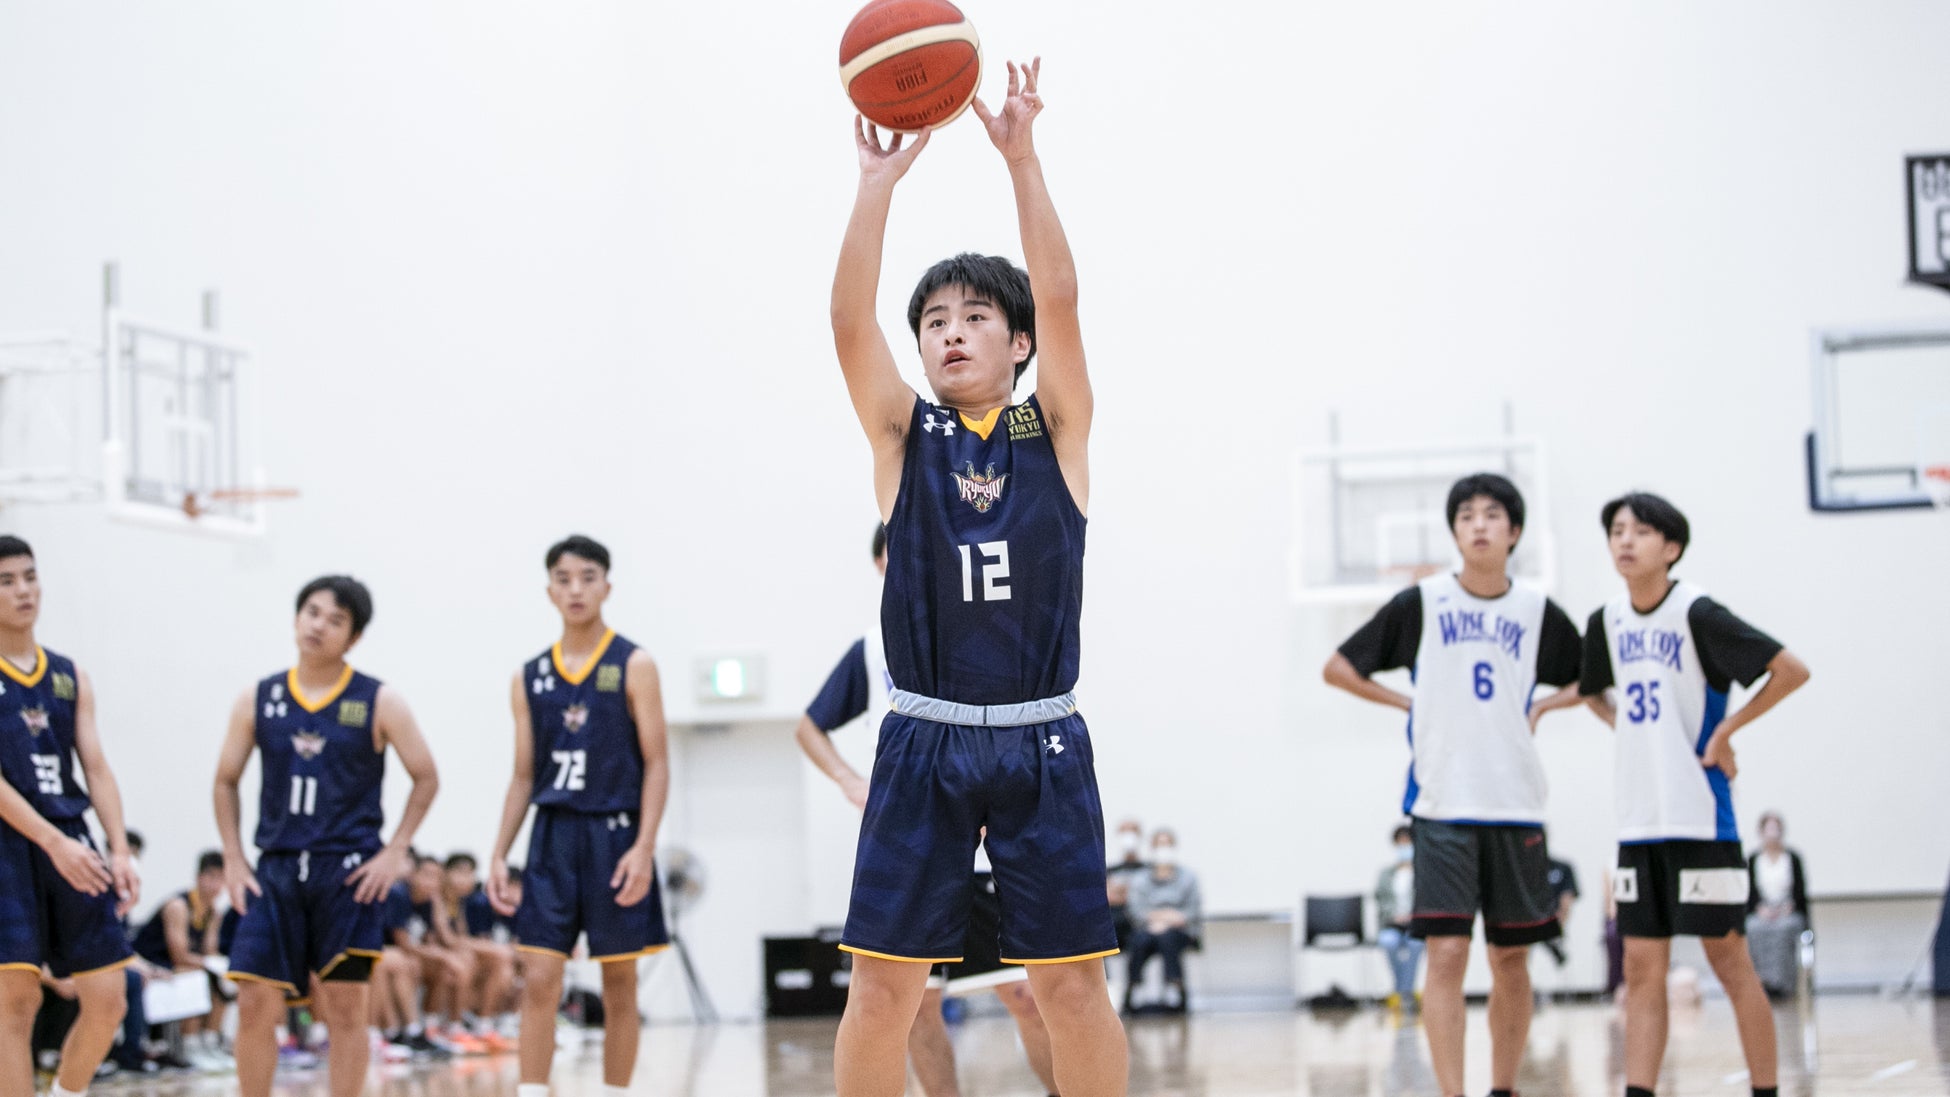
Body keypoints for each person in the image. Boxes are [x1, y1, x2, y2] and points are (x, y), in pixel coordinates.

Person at [829, 58, 1126, 1097]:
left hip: (1043, 737)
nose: (949, 330)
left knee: (1071, 987)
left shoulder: (1059, 427)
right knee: (883, 988)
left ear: (1018, 341)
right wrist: (876, 188)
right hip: (926, 735)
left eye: (973, 315)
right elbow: (850, 327)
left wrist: (1021, 158)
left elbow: (1063, 293)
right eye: (934, 321)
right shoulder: (904, 434)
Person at [1322, 473, 1584, 1097]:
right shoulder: (1423, 602)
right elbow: (1338, 667)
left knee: (1511, 958)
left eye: (1492, 514)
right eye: (1466, 515)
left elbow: (1592, 676)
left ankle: (1504, 1087)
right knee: (1445, 953)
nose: (1478, 524)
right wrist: (1407, 703)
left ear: (1514, 532)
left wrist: (1546, 705)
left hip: (1516, 803)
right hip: (1441, 803)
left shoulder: (1537, 610)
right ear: (1455, 532)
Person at [795, 523, 1059, 1096]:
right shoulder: (872, 647)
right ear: (881, 564)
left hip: (982, 849)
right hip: (910, 841)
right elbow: (809, 725)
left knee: (1025, 996)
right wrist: (849, 781)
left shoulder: (982, 627)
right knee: (914, 1009)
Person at [1579, 491, 1811, 1097]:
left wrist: (1727, 730)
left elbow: (1790, 669)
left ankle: (1766, 1090)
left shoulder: (1698, 614)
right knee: (1640, 969)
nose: (1625, 541)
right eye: (1617, 531)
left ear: (1672, 547)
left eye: (1640, 531)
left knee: (1728, 961)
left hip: (1701, 819)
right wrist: (1629, 730)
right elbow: (1590, 689)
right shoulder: (1605, 621)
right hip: (1638, 821)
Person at [213, 574, 441, 1097]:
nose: (319, 625)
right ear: (297, 617)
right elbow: (225, 780)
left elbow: (426, 775)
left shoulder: (379, 700)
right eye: (312, 612)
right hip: (275, 868)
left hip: (347, 872)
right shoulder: (258, 698)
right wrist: (233, 856)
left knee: (344, 1008)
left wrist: (395, 851)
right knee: (254, 1002)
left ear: (353, 637)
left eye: (335, 620)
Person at [487, 535, 670, 1097]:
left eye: (588, 578)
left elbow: (657, 762)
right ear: (549, 591)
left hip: (615, 835)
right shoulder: (528, 676)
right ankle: (532, 1090)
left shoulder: (634, 664)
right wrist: (498, 853)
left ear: (607, 586)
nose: (576, 589)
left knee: (619, 981)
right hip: (552, 837)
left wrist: (644, 847)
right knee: (539, 977)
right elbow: (523, 776)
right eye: (564, 579)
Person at [0, 535, 142, 1097]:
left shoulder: (68, 674)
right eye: (7, 581)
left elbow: (97, 767)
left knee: (109, 999)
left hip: (73, 840)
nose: (23, 590)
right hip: (10, 844)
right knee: (16, 1000)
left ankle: (65, 1093)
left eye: (30, 576)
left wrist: (119, 849)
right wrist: (50, 841)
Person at [129, 850, 234, 1069]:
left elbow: (210, 952)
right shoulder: (178, 906)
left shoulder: (213, 912)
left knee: (224, 979)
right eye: (212, 877)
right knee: (194, 977)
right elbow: (179, 956)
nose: (216, 885)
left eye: (221, 879)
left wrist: (220, 964)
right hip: (152, 963)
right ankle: (190, 1044)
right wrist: (208, 963)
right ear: (199, 877)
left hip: (182, 964)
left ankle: (211, 1042)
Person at [1122, 829, 1202, 1014]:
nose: (1163, 850)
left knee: (1168, 938)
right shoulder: (1141, 878)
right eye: (1159, 845)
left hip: (1179, 931)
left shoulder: (1188, 877)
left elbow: (1192, 911)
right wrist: (1161, 918)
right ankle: (1132, 988)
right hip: (1148, 930)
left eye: (1167, 845)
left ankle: (1177, 988)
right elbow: (1136, 910)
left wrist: (1167, 921)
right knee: (1139, 941)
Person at [444, 853, 517, 1044]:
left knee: (504, 966)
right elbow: (449, 939)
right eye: (460, 872)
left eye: (470, 874)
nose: (465, 878)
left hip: (455, 950)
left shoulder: (459, 901)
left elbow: (460, 937)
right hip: (441, 952)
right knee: (472, 961)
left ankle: (485, 1023)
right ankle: (454, 1025)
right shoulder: (439, 898)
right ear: (446, 873)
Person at [1746, 812, 1811, 998]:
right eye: (1768, 828)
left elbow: (1800, 892)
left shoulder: (1792, 858)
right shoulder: (1754, 859)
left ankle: (1782, 984)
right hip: (1762, 910)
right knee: (1754, 928)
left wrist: (1787, 908)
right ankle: (1762, 982)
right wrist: (1761, 909)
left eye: (1775, 828)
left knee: (1784, 930)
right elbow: (1750, 893)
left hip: (1787, 910)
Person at [1374, 825, 1421, 1010]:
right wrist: (1394, 916)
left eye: (1407, 843)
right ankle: (1404, 991)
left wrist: (1412, 916)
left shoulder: (1421, 872)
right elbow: (1380, 901)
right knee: (1388, 942)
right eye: (1401, 843)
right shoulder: (1386, 874)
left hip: (1415, 924)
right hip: (1392, 924)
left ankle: (1402, 992)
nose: (1404, 847)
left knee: (1415, 944)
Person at [1105, 820, 1146, 951]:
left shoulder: (1148, 870)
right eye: (1124, 832)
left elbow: (1150, 897)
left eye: (1132, 832)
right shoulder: (1111, 870)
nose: (1128, 837)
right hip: (1116, 920)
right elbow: (1108, 896)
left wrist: (1124, 892)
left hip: (1140, 921)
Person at [1542, 854, 1579, 968]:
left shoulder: (1562, 868)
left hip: (1553, 922)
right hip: (1527, 921)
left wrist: (1558, 927)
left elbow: (1566, 899)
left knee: (1562, 961)